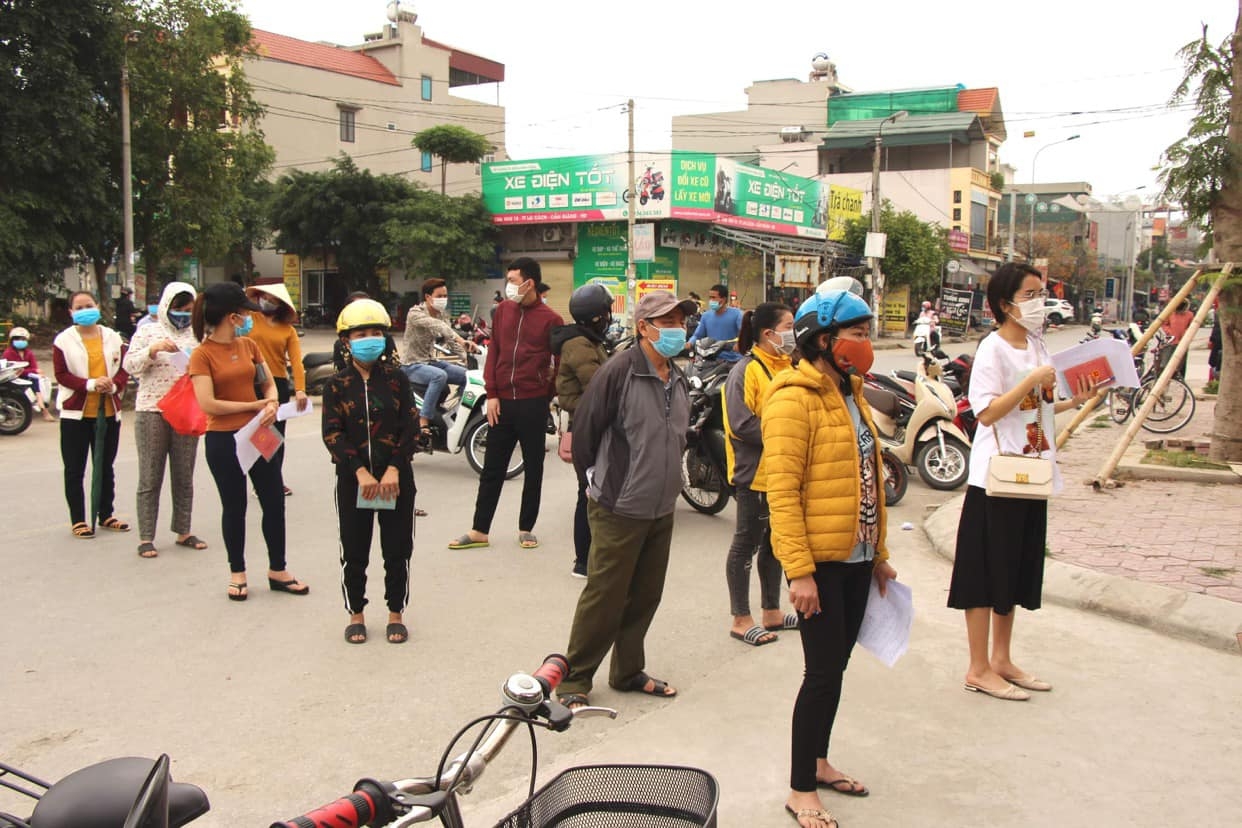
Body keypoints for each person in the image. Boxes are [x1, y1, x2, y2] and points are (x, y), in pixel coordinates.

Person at [763, 288, 899, 828]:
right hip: (818, 563)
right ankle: (800, 789)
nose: (866, 344)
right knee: (820, 674)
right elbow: (782, 491)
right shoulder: (791, 397)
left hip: (856, 556)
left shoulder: (850, 388)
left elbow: (866, 477)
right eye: (858, 334)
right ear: (824, 340)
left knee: (836, 669)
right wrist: (798, 571)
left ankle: (818, 762)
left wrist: (879, 551)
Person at [947, 263, 1096, 702]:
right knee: (983, 572)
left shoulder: (1036, 344)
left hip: (1033, 472)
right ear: (1005, 304)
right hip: (996, 478)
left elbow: (1041, 408)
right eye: (1030, 294)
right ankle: (977, 667)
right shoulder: (992, 349)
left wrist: (1079, 400)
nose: (1039, 302)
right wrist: (1031, 379)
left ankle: (1002, 659)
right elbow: (987, 412)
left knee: (1014, 568)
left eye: (1041, 292)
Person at [555, 290, 696, 710]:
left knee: (646, 593)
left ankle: (627, 670)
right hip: (619, 504)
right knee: (605, 594)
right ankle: (575, 679)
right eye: (667, 322)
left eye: (680, 322)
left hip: (662, 505)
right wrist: (596, 483)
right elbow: (586, 434)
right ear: (643, 328)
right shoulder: (617, 372)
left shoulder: (678, 375)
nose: (676, 329)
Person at [189, 282, 308, 602]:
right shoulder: (201, 355)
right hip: (223, 438)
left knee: (273, 499)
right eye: (242, 312)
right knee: (235, 504)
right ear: (231, 316)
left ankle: (278, 570)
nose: (247, 317)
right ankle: (237, 572)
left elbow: (268, 382)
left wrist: (270, 403)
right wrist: (254, 406)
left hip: (260, 432)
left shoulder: (248, 346)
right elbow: (208, 404)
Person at [448, 258, 563, 551]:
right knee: (492, 468)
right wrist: (493, 394)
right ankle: (479, 530)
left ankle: (526, 528)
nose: (509, 285)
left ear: (530, 283)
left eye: (513, 280)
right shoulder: (503, 312)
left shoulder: (551, 319)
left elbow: (556, 365)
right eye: (508, 279)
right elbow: (494, 351)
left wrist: (544, 396)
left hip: (533, 404)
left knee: (533, 468)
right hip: (502, 403)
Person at [323, 300, 418, 645]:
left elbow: (411, 426)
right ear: (346, 341)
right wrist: (360, 472)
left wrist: (394, 467)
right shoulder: (336, 385)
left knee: (397, 549)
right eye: (361, 334)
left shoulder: (397, 380)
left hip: (396, 479)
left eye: (376, 332)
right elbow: (332, 433)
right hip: (354, 482)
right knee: (354, 550)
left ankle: (396, 613)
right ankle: (356, 614)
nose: (370, 339)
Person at [722, 302, 795, 647]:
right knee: (746, 544)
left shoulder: (787, 366)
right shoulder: (746, 371)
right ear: (769, 334)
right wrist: (787, 432)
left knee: (775, 545)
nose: (793, 334)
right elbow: (741, 424)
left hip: (784, 473)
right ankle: (741, 618)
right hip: (755, 475)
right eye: (789, 326)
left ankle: (772, 611)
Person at [122, 282, 207, 558]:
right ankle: (147, 536)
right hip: (152, 410)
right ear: (166, 306)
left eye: (189, 309)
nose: (183, 314)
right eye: (179, 308)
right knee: (150, 474)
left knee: (184, 474)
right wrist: (152, 350)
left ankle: (183, 530)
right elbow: (130, 366)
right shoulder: (148, 331)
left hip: (186, 411)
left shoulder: (198, 335)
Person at [52, 291, 131, 538]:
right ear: (71, 312)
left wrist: (113, 385)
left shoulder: (112, 337)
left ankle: (105, 513)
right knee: (75, 468)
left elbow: (123, 370)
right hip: (76, 413)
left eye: (89, 305)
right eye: (79, 306)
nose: (85, 309)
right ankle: (78, 519)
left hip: (108, 411)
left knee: (105, 465)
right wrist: (90, 384)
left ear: (97, 306)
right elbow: (61, 374)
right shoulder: (63, 340)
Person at [550, 283, 613, 578]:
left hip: (590, 422)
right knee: (587, 492)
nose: (610, 316)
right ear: (597, 316)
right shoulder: (578, 345)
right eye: (606, 312)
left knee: (593, 491)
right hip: (587, 426)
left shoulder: (587, 340)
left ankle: (591, 558)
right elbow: (598, 386)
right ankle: (583, 562)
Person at [244, 283, 307, 496]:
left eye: (273, 299)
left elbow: (297, 362)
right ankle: (258, 479)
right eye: (264, 297)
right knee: (255, 432)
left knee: (276, 434)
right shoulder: (249, 320)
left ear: (280, 304)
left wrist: (300, 389)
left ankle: (273, 480)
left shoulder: (287, 330)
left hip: (277, 383)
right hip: (250, 382)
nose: (267, 301)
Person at [401, 278, 477, 433]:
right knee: (439, 376)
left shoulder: (441, 314)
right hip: (412, 364)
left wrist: (466, 356)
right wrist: (463, 340)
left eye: (445, 296)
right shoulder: (415, 313)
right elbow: (440, 327)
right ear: (428, 297)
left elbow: (450, 340)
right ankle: (424, 421)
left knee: (468, 376)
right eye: (440, 296)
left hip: (430, 361)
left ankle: (458, 415)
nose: (444, 300)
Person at [333, 291, 399, 372]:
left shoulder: (385, 338)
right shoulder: (340, 345)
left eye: (376, 334)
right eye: (361, 335)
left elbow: (395, 364)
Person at [3, 326, 56, 420]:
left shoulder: (29, 353)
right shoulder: (8, 353)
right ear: (12, 341)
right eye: (17, 339)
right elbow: (14, 370)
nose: (20, 341)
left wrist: (32, 371)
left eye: (22, 339)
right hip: (13, 377)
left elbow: (34, 367)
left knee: (41, 381)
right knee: (35, 381)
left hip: (28, 376)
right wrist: (32, 371)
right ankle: (45, 411)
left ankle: (43, 407)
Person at [1160, 299, 1195, 379]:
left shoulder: (1189, 315)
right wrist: (1170, 332)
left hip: (1183, 343)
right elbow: (1164, 324)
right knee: (1166, 363)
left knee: (1181, 365)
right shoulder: (1170, 313)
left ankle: (1180, 379)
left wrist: (1186, 334)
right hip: (1170, 342)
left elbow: (1191, 327)